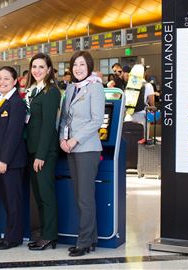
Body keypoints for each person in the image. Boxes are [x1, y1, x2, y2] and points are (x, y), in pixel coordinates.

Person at [59, 51, 105, 257]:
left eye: (82, 65)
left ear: (89, 67)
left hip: (87, 149)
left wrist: (75, 140)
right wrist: (62, 139)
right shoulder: (70, 89)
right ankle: (91, 239)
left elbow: (96, 121)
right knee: (79, 196)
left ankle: (84, 241)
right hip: (70, 147)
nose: (78, 68)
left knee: (85, 198)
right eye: (75, 65)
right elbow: (64, 119)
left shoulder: (95, 88)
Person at [24, 53, 61, 251]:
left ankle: (49, 235)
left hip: (43, 151)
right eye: (34, 67)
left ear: (49, 70)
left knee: (46, 194)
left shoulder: (51, 92)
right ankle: (42, 233)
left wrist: (40, 155)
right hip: (31, 148)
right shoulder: (32, 91)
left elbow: (48, 126)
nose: (37, 70)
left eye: (41, 67)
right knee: (38, 195)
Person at [0, 66, 27, 250]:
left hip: (11, 162)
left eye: (6, 79)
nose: (1, 82)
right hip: (1, 161)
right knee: (7, 199)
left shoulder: (17, 103)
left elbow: (13, 134)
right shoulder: (1, 100)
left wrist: (3, 160)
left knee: (13, 201)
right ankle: (10, 233)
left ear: (15, 81)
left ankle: (13, 237)